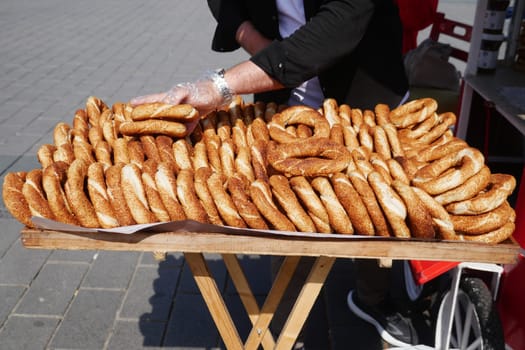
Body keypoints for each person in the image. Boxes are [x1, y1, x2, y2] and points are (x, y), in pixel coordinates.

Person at [131, 0, 418, 347]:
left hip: (364, 96)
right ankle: (288, 324)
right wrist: (254, 42)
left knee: (378, 211)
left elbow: (341, 22)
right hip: (283, 98)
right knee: (287, 209)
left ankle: (373, 298)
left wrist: (222, 85)